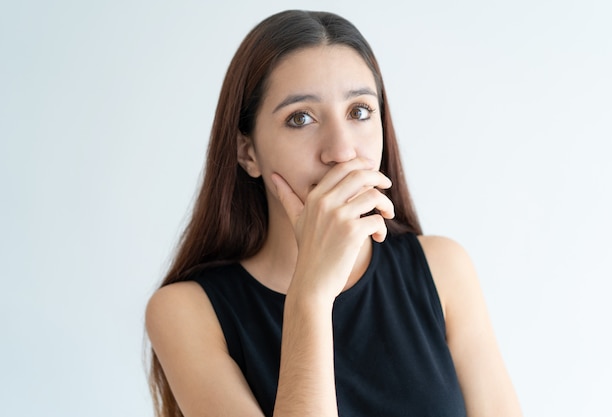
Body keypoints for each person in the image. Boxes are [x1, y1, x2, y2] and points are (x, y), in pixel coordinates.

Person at [145, 9, 523, 417]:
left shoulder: (443, 268)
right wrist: (311, 294)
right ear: (247, 152)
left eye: (359, 111)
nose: (341, 151)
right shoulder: (186, 312)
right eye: (300, 118)